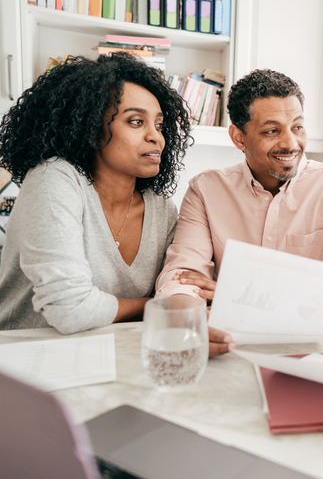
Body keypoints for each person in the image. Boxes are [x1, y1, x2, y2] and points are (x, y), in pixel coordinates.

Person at [155, 69, 323, 355]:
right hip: (231, 343)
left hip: (308, 349)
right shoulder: (205, 190)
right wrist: (188, 322)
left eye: (297, 127)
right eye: (272, 131)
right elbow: (182, 276)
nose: (290, 143)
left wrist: (242, 294)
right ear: (238, 137)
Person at [0, 53, 190, 334]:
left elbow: (178, 290)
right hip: (24, 357)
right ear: (91, 128)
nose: (156, 137)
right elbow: (70, 310)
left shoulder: (162, 209)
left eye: (159, 124)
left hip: (112, 351)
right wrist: (156, 305)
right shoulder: (53, 180)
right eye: (136, 121)